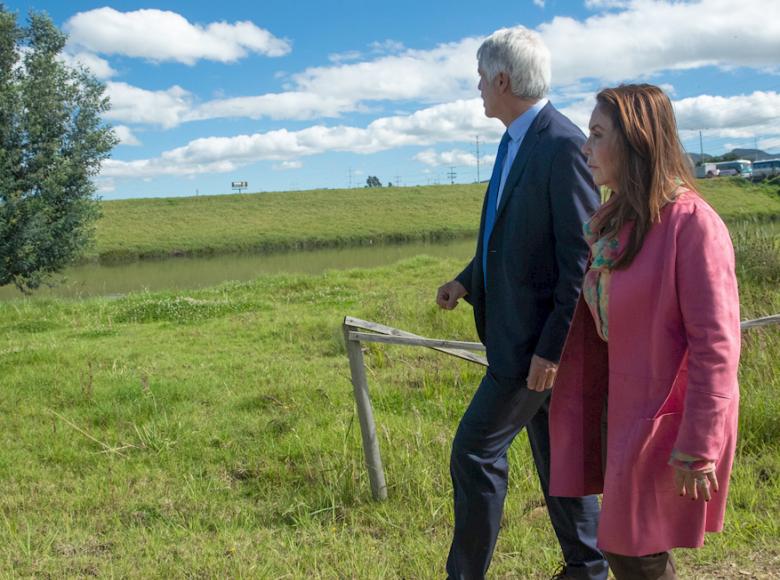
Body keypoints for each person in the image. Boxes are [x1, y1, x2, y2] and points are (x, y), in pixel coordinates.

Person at [545, 84, 741, 580]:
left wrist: (699, 445)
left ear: (636, 142)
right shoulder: (619, 223)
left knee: (634, 550)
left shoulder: (691, 223)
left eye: (596, 134)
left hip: (664, 420)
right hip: (621, 409)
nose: (584, 147)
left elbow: (716, 345)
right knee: (631, 546)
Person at [436, 26, 607, 580]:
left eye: (481, 77)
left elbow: (579, 258)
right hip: (517, 339)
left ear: (503, 79)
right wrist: (467, 280)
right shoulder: (513, 141)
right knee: (559, 462)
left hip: (531, 348)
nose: (477, 87)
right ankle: (588, 567)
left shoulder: (562, 145)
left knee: (474, 453)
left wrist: (551, 351)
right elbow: (511, 236)